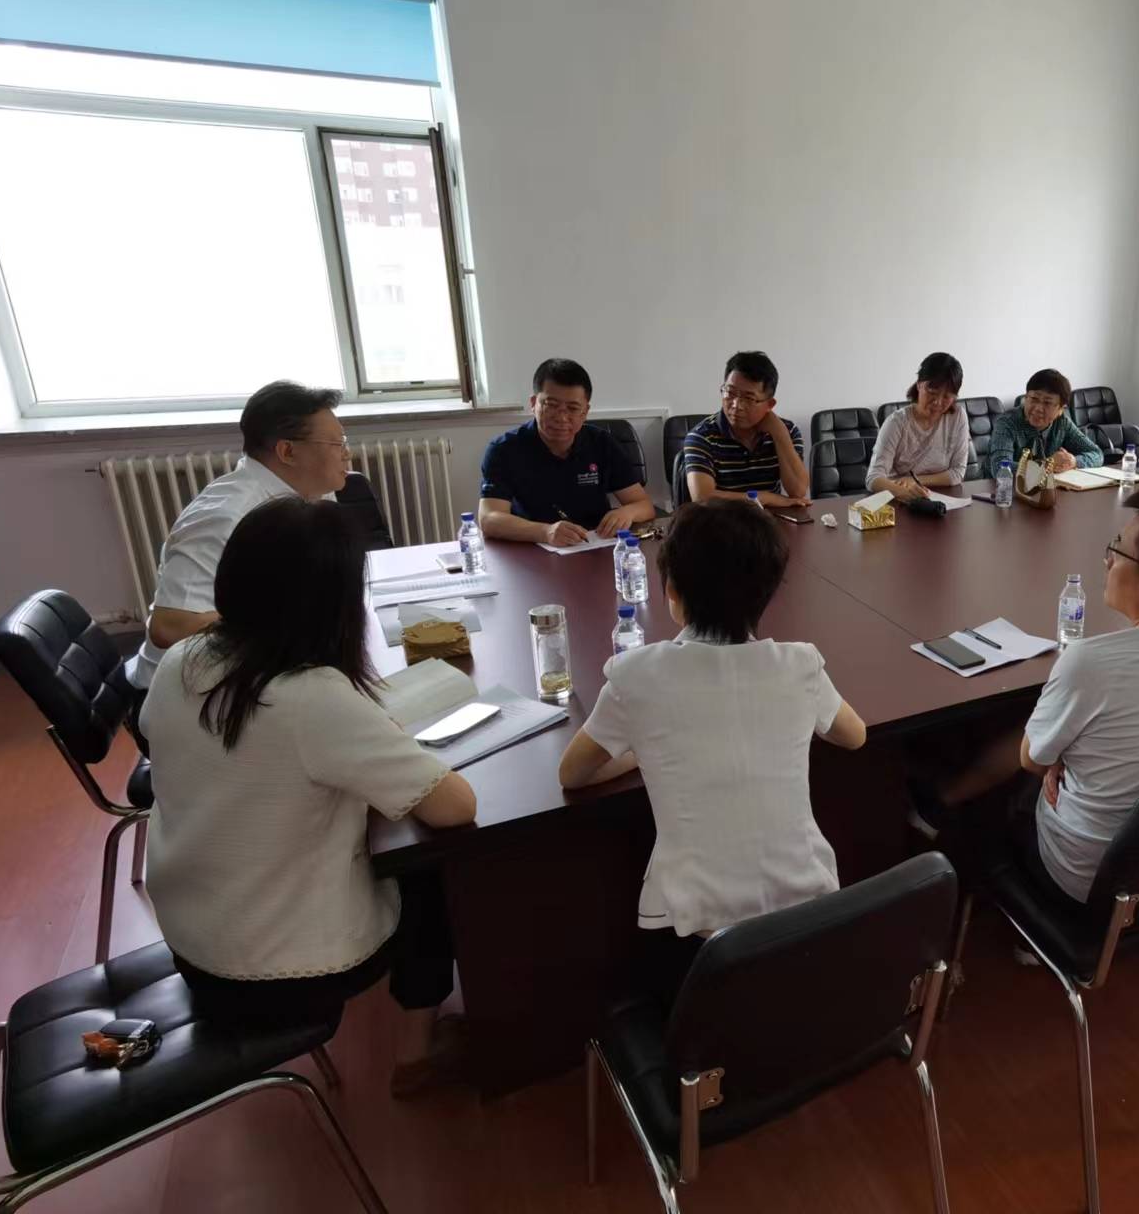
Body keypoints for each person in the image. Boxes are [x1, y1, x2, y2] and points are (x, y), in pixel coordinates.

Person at [137, 497, 477, 1095]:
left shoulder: (184, 659)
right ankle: (417, 1055)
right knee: (432, 870)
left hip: (191, 936)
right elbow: (455, 806)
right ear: (332, 604)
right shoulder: (310, 696)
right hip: (283, 967)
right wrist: (384, 737)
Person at [558, 498, 865, 1001]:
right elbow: (854, 736)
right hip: (807, 913)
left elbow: (573, 773)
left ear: (672, 592)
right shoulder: (798, 664)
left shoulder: (638, 676)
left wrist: (646, 746)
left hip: (701, 932)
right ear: (768, 593)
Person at [927, 485, 1139, 904]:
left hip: (1099, 883)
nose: (1107, 560)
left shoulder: (1090, 663)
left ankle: (970, 881)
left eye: (1118, 550)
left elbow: (1032, 760)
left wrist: (1060, 759)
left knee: (1005, 797)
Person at [127, 381, 350, 690]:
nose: (347, 454)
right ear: (288, 451)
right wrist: (287, 624)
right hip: (190, 692)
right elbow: (170, 626)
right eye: (337, 444)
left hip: (260, 665)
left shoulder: (313, 492)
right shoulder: (225, 516)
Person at [477, 358, 655, 544]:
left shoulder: (602, 443)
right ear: (534, 403)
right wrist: (545, 532)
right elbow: (489, 519)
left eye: (572, 408)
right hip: (532, 546)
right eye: (551, 405)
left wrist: (627, 512)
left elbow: (643, 505)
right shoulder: (504, 449)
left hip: (593, 545)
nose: (561, 417)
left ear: (585, 412)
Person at [682, 351, 810, 507]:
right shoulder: (702, 436)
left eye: (749, 398)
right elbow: (702, 498)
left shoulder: (788, 431)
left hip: (770, 519)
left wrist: (779, 433)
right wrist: (764, 498)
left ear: (769, 405)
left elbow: (798, 491)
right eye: (730, 393)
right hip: (721, 518)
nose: (736, 405)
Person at [867, 352, 974, 499]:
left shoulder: (958, 417)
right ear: (919, 385)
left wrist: (915, 481)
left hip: (942, 500)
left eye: (946, 397)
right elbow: (873, 478)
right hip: (900, 500)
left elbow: (957, 473)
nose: (937, 402)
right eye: (932, 392)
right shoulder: (897, 423)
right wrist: (905, 493)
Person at [987, 369, 1105, 473]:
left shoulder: (1062, 423)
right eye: (1034, 399)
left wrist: (1073, 461)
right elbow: (1000, 467)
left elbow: (1096, 454)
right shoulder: (1007, 423)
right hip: (995, 488)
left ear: (1061, 409)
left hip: (1045, 488)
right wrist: (1047, 465)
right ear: (1026, 398)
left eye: (1047, 403)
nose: (1038, 408)